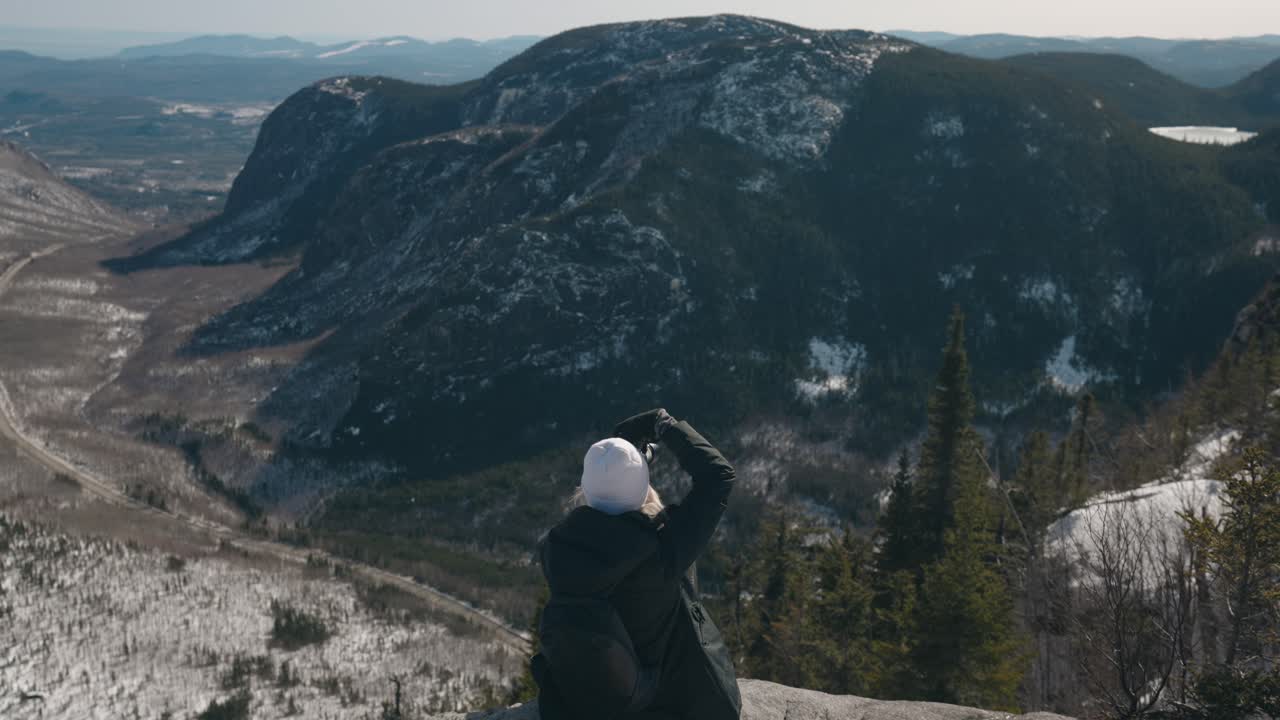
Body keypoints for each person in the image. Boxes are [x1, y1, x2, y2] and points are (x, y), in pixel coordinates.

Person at [531, 408, 741, 720]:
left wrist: (616, 466)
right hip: (656, 701)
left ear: (585, 488)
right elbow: (718, 476)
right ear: (643, 488)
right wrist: (665, 425)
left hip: (585, 696)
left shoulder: (555, 549)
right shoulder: (665, 548)